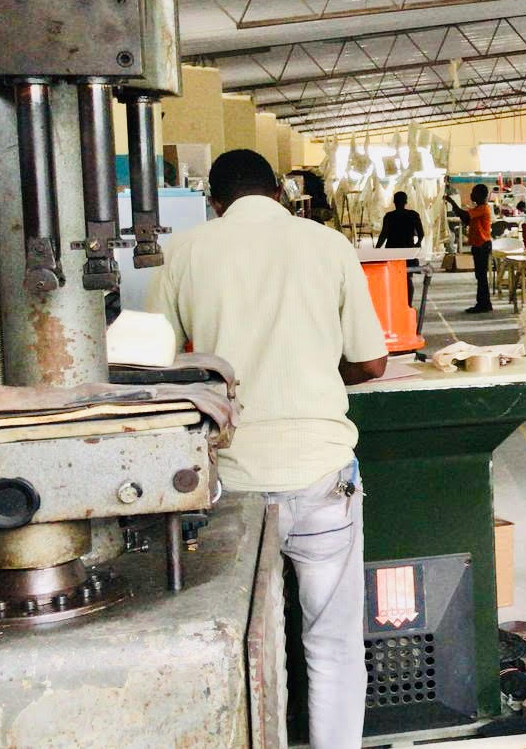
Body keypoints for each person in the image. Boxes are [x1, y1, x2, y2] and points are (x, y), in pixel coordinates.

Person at [148, 150, 387, 749]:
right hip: (322, 473)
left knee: (253, 644)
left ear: (213, 202)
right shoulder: (328, 245)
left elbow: (154, 369)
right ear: (280, 192)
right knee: (333, 645)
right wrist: (320, 370)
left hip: (232, 482)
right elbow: (371, 362)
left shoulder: (185, 252)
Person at [375, 190, 425, 306]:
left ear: (394, 202)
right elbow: (421, 234)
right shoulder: (413, 215)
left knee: (393, 278)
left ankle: (395, 303)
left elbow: (383, 235)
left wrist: (377, 250)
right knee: (408, 278)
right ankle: (408, 304)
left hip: (392, 251)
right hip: (407, 251)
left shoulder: (389, 216)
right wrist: (417, 245)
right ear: (406, 201)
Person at [461, 184, 494, 314]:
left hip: (482, 245)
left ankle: (484, 304)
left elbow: (465, 216)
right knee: (480, 276)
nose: (471, 195)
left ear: (480, 195)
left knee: (481, 276)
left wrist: (452, 203)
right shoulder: (478, 209)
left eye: (473, 192)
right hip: (478, 245)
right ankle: (483, 303)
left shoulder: (483, 209)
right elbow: (466, 219)